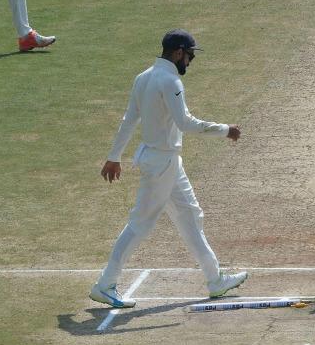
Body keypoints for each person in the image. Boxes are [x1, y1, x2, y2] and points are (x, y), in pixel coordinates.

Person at [90, 29, 247, 308]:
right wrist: (225, 130)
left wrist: (114, 156)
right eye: (189, 56)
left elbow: (130, 119)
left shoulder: (143, 77)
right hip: (161, 162)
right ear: (177, 53)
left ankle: (215, 279)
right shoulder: (171, 81)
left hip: (166, 161)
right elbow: (185, 123)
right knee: (141, 223)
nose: (190, 61)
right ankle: (105, 284)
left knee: (190, 214)